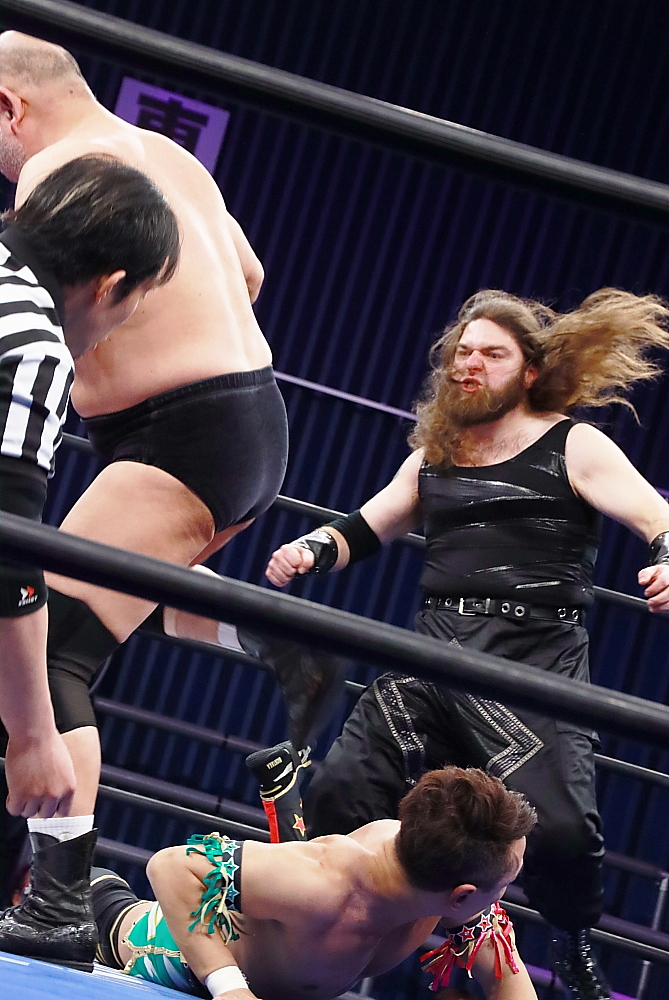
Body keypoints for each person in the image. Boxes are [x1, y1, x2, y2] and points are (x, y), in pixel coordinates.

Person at [0, 28, 339, 960]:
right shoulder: (168, 155)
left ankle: (56, 902)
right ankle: (263, 634)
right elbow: (250, 275)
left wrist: (106, 360)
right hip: (242, 416)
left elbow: (48, 297)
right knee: (92, 606)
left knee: (53, 648)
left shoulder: (59, 172)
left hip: (179, 431)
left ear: (9, 108)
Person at [265, 287, 669, 1000]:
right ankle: (333, 932)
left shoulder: (572, 444)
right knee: (339, 791)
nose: (468, 364)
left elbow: (655, 516)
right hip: (435, 653)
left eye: (491, 354)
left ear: (531, 371)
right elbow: (369, 524)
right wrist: (311, 548)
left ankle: (570, 940)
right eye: (462, 352)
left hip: (532, 658)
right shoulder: (437, 452)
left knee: (565, 833)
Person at [0, 151, 180, 965]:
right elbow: (10, 554)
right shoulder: (34, 344)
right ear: (109, 286)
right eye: (136, 301)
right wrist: (34, 733)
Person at [90, 766, 538, 1000]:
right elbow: (171, 866)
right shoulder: (328, 882)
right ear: (462, 895)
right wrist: (230, 988)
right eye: (504, 885)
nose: (500, 899)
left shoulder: (439, 867)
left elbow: (507, 979)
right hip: (131, 943)